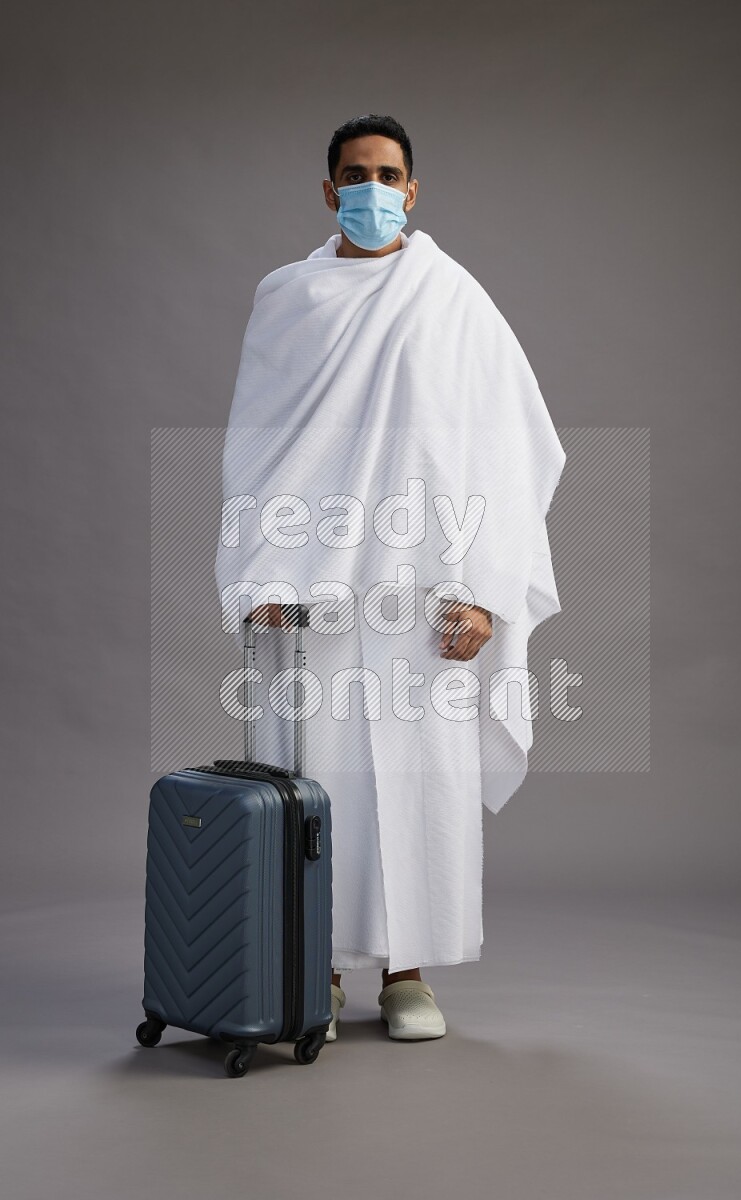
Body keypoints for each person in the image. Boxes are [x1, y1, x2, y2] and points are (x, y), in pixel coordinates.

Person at [214, 113, 566, 1043]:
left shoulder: (454, 301)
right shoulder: (287, 298)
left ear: (413, 189)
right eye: (355, 174)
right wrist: (261, 573)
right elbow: (256, 448)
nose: (373, 188)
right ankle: (316, 968)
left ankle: (408, 974)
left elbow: (508, 450)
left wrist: (486, 588)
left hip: (422, 590)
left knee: (417, 782)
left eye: (389, 174)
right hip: (312, 590)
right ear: (329, 190)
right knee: (312, 777)